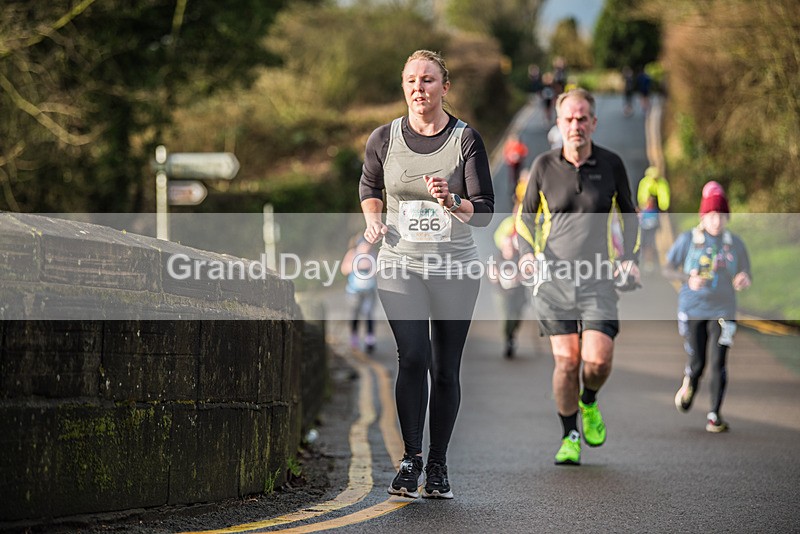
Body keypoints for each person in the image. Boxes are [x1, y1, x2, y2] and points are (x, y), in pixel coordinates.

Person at [359, 49, 494, 499]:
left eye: (429, 80)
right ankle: (410, 459)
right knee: (412, 356)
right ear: (404, 87)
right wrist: (373, 218)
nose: (420, 88)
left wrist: (453, 202)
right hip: (400, 265)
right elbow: (369, 185)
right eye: (412, 80)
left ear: (445, 87)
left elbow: (485, 211)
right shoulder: (384, 137)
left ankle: (438, 466)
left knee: (445, 368)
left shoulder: (465, 139)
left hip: (454, 267)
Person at [516, 88, 641, 466]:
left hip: (598, 278)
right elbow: (525, 221)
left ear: (594, 122)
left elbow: (630, 216)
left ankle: (588, 401)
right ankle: (569, 435)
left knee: (598, 361)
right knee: (567, 361)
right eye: (569, 118)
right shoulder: (542, 166)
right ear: (558, 123)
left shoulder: (612, 164)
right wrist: (527, 257)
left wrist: (630, 258)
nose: (576, 125)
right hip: (553, 281)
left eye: (582, 118)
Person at [663, 182, 751, 432]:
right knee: (699, 362)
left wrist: (744, 278)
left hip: (724, 310)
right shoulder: (688, 240)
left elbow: (746, 271)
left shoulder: (735, 243)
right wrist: (687, 279)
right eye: (712, 215)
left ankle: (714, 415)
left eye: (722, 215)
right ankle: (690, 379)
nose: (717, 221)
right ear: (703, 215)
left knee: (718, 362)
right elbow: (667, 268)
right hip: (694, 308)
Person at [489, 176, 530, 359]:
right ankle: (508, 339)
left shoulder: (528, 228)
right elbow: (498, 245)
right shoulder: (506, 226)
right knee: (506, 315)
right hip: (503, 288)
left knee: (517, 313)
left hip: (519, 284)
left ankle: (512, 334)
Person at [341, 235, 378, 352]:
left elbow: (379, 270)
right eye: (364, 245)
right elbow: (344, 270)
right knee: (355, 315)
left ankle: (370, 341)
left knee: (368, 314)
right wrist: (357, 266)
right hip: (354, 291)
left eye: (368, 245)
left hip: (369, 290)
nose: (366, 248)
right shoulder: (352, 254)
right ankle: (354, 339)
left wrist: (372, 269)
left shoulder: (373, 255)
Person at [636, 166, 671, 271]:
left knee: (656, 238)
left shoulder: (662, 183)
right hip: (647, 215)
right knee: (646, 240)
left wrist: (663, 208)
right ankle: (647, 260)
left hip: (656, 214)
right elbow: (642, 198)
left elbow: (664, 198)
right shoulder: (645, 183)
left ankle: (661, 259)